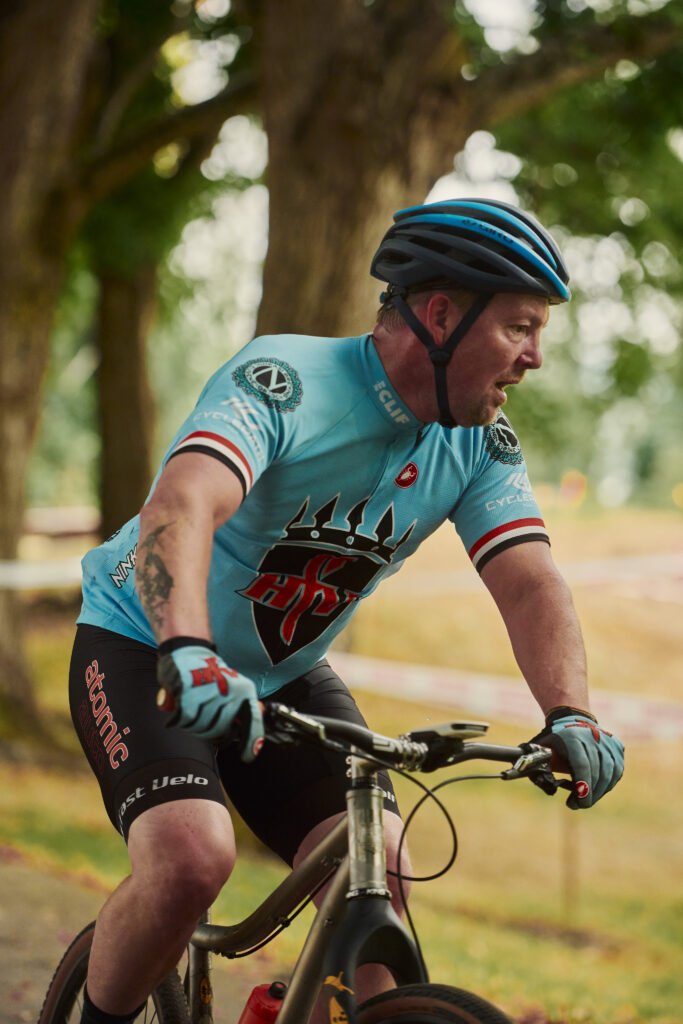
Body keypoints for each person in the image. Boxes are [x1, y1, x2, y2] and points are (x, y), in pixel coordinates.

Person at [70, 198, 624, 1023]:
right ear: (440, 315)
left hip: (281, 674)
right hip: (146, 641)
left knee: (381, 868)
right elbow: (182, 502)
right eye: (518, 327)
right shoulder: (288, 381)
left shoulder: (477, 442)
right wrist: (186, 648)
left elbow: (529, 582)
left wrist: (569, 711)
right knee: (190, 860)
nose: (534, 357)